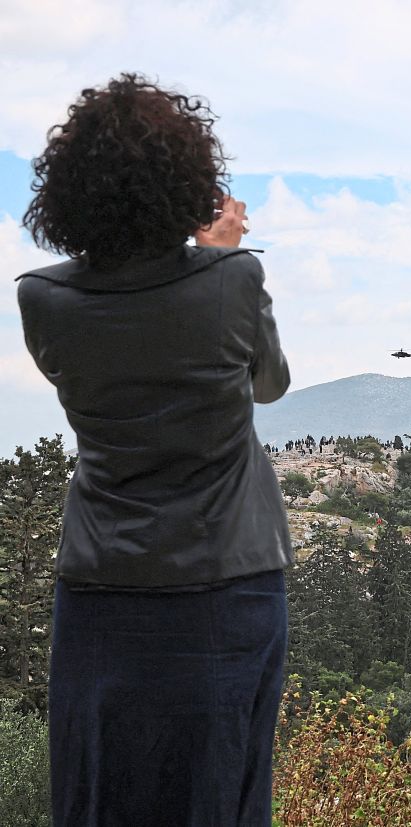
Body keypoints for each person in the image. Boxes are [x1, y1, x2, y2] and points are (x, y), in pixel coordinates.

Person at [16, 73, 294, 826]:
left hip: (103, 583)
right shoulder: (234, 280)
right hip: (231, 578)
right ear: (186, 181)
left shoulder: (42, 301)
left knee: (101, 787)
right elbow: (269, 383)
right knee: (224, 786)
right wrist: (222, 254)